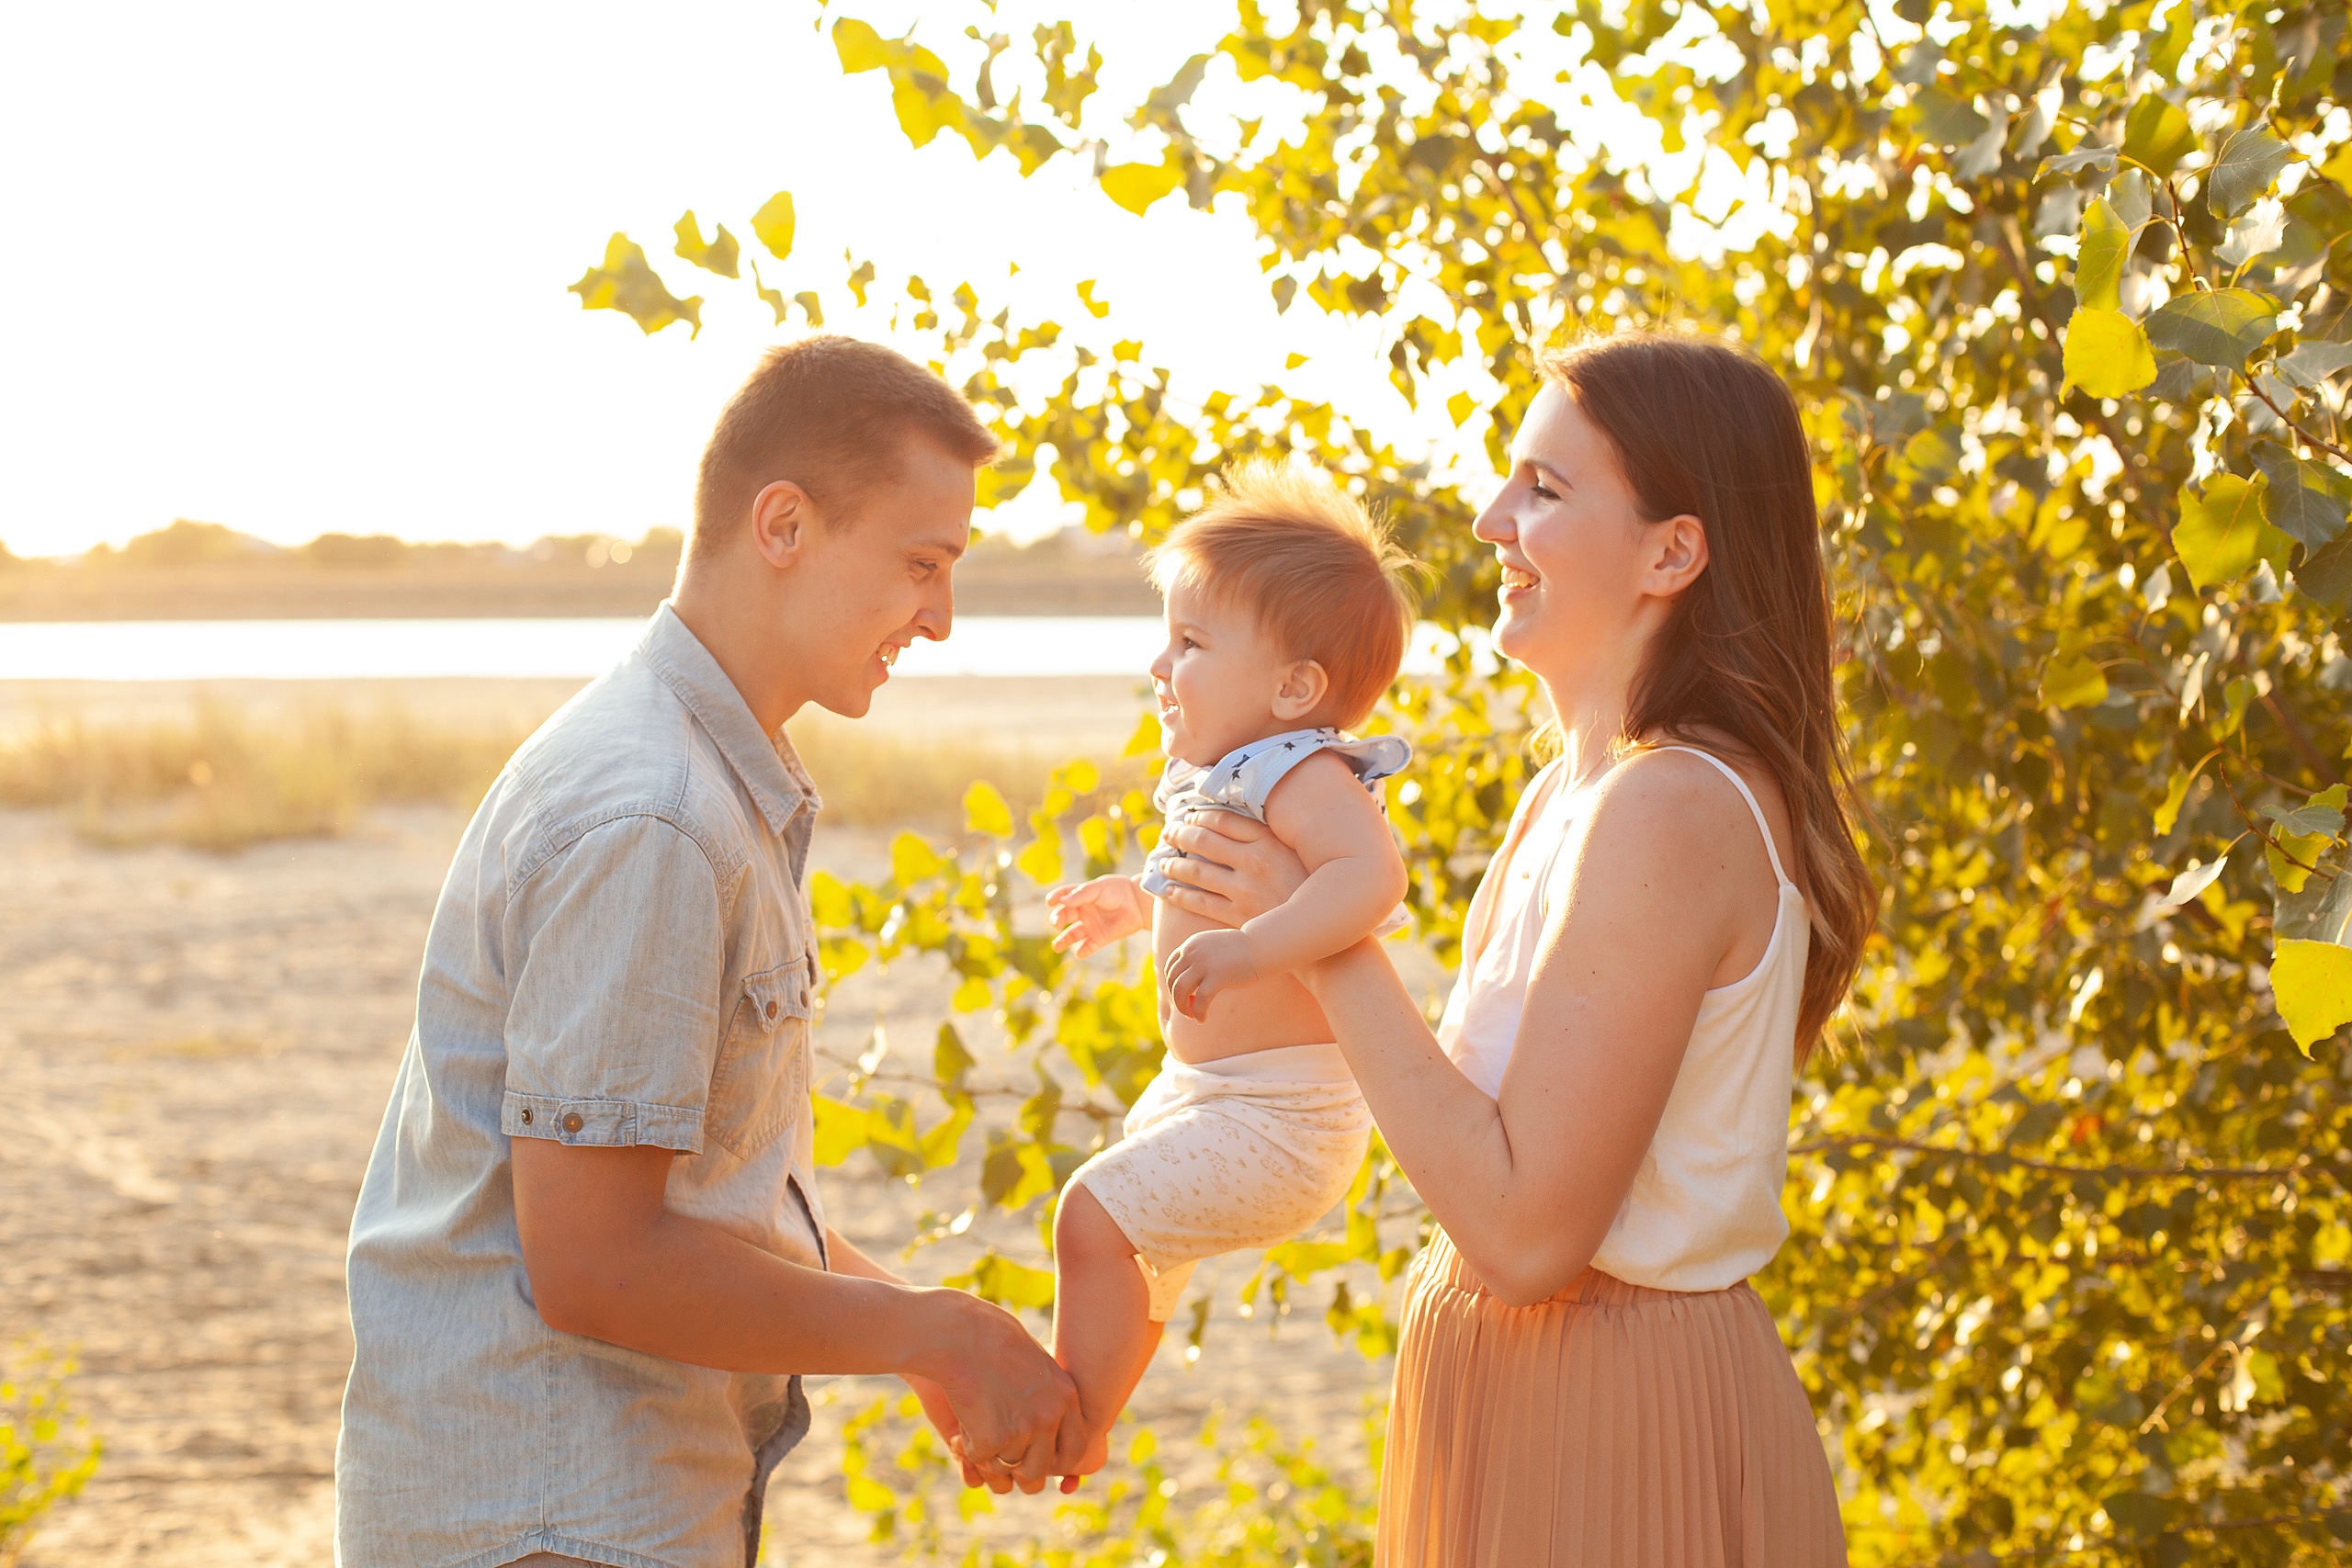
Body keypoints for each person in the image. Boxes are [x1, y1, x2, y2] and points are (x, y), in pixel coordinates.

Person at [334, 335, 1089, 1568]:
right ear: (781, 522)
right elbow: (598, 1262)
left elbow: (705, 1204)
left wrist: (926, 1326)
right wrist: (933, 1336)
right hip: (548, 1521)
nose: (940, 618)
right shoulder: (656, 813)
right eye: (920, 564)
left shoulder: (707, 780)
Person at [1153, 333, 1874, 1564]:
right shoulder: (1570, 793)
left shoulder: (1672, 806)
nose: (1491, 519)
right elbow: (1477, 1128)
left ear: (1671, 552)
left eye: (1542, 488)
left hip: (1615, 1425)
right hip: (1521, 1393)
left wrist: (1326, 936)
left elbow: (1532, 1234)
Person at [1040, 461, 1421, 1472]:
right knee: (1135, 1259)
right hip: (1201, 1092)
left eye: (1193, 644)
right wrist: (1137, 898)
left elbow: (1370, 878)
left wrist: (1256, 947)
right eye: (1166, 637)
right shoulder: (1223, 773)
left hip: (1281, 1117)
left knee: (1091, 1217)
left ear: (1294, 688)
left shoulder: (1302, 769)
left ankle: (1072, 1410)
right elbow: (1206, 878)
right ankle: (1084, 1425)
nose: (1160, 665)